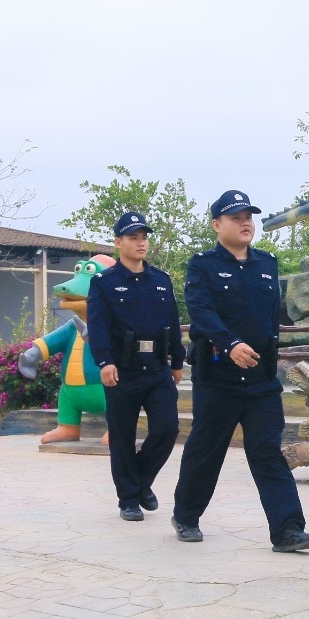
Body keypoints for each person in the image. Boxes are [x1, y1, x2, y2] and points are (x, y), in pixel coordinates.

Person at [170, 190, 309, 553]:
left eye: (248, 217)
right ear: (216, 224)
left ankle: (288, 530)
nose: (245, 223)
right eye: (236, 217)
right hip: (218, 377)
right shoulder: (202, 265)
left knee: (268, 451)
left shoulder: (267, 263)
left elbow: (270, 320)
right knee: (207, 450)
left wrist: (271, 360)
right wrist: (230, 343)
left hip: (260, 380)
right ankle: (186, 516)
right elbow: (201, 311)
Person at [86, 212, 184, 522]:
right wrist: (104, 362)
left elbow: (172, 323)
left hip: (156, 368)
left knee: (167, 429)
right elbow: (98, 326)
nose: (141, 243)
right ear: (118, 242)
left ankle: (140, 481)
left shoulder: (161, 280)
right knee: (122, 436)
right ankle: (128, 499)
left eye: (143, 238)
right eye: (133, 238)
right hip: (121, 369)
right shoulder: (104, 282)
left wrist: (177, 361)